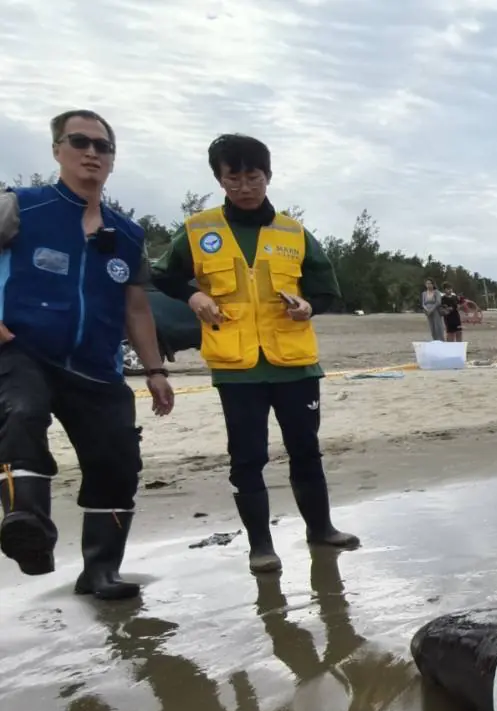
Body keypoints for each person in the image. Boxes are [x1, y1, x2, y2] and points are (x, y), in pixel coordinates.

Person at [153, 133, 359, 574]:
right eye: (234, 178)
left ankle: (320, 529)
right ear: (219, 179)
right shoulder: (198, 230)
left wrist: (308, 307)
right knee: (247, 457)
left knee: (306, 450)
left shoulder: (293, 231)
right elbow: (161, 277)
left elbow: (326, 289)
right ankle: (261, 547)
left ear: (268, 176)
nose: (245, 187)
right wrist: (192, 296)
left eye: (253, 176)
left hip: (295, 364)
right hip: (237, 368)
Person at [0, 109, 175, 598]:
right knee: (22, 412)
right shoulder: (19, 207)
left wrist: (155, 369)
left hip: (97, 365)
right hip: (22, 349)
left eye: (103, 146)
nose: (92, 153)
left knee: (118, 460)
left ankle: (101, 570)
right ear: (57, 150)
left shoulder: (128, 234)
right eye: (80, 142)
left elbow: (136, 309)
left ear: (113, 161)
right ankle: (27, 526)